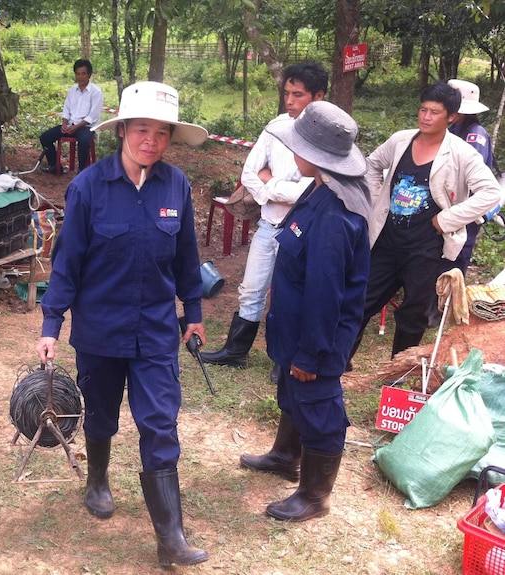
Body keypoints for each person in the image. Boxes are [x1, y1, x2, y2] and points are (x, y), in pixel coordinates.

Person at [35, 81, 209, 567]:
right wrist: (51, 324)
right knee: (102, 413)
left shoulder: (176, 185)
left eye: (161, 132)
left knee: (159, 421)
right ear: (123, 132)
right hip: (100, 330)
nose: (150, 140)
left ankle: (170, 538)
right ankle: (97, 481)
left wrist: (192, 313)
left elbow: (187, 258)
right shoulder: (89, 187)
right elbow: (66, 264)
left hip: (155, 330)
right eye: (141, 130)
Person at [251, 101, 371, 522]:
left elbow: (326, 293)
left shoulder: (336, 213)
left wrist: (310, 353)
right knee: (293, 394)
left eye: (297, 146)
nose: (293, 153)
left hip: (314, 338)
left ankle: (315, 496)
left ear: (316, 154)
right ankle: (286, 455)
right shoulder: (318, 188)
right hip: (295, 327)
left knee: (318, 406)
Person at [348, 82, 502, 366]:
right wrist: (375, 198)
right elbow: (370, 165)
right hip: (386, 241)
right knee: (359, 302)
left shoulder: (461, 153)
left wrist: (447, 219)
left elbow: (492, 192)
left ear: (451, 116)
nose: (426, 117)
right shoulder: (400, 140)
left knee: (414, 313)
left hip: (427, 248)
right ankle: (338, 362)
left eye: (435, 112)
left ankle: (397, 372)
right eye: (423, 109)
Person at [200, 62, 328, 385]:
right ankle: (236, 350)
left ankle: (283, 358)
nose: (289, 100)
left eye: (297, 94)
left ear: (318, 97)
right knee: (251, 288)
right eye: (286, 93)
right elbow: (248, 173)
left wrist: (270, 186)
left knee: (288, 295)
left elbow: (313, 189)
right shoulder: (275, 127)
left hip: (302, 231)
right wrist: (273, 190)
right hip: (269, 224)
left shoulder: (325, 136)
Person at [447, 79, 497, 275]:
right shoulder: (454, 129)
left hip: (467, 206)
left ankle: (450, 301)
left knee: (458, 256)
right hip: (452, 203)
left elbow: (468, 175)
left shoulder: (475, 135)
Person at [39, 59, 104, 174]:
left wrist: (77, 127)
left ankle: (82, 171)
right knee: (45, 137)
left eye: (83, 74)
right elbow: (66, 110)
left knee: (84, 140)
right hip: (70, 125)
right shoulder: (72, 90)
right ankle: (54, 165)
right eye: (78, 74)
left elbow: (92, 116)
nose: (80, 77)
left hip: (86, 127)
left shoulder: (96, 92)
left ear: (89, 75)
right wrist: (64, 124)